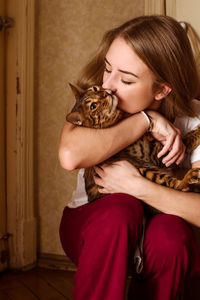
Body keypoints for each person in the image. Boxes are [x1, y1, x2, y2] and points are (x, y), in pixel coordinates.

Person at [59, 15, 200, 300]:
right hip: (96, 224)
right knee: (119, 210)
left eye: (125, 79)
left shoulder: (194, 119)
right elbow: (70, 155)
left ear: (162, 89)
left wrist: (137, 186)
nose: (108, 85)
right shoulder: (95, 99)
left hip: (162, 229)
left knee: (170, 235)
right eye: (107, 69)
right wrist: (146, 119)